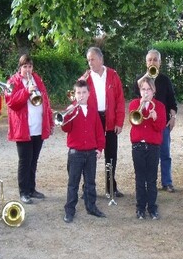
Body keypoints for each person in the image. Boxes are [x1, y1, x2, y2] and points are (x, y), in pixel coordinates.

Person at [6, 54, 53, 205]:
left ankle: (32, 189)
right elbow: (11, 102)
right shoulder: (12, 81)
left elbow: (45, 100)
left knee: (34, 161)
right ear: (20, 68)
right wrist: (26, 91)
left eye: (30, 66)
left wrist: (49, 122)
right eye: (25, 67)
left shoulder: (37, 79)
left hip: (38, 127)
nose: (28, 69)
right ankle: (23, 192)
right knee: (24, 161)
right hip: (23, 128)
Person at [132, 49, 178, 192]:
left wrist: (173, 117)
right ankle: (147, 183)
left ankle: (167, 182)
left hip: (161, 123)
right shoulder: (141, 79)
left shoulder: (165, 80)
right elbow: (134, 90)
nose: (152, 62)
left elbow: (172, 101)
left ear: (160, 62)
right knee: (147, 156)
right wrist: (147, 77)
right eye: (149, 60)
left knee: (165, 153)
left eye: (155, 60)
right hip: (145, 124)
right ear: (146, 62)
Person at [62, 80, 106, 223]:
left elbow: (99, 132)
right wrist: (68, 113)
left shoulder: (93, 111)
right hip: (76, 153)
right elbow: (65, 128)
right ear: (74, 95)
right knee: (73, 183)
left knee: (90, 182)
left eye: (84, 92)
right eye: (78, 93)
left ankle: (91, 207)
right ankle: (69, 211)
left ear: (89, 94)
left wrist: (99, 148)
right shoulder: (72, 110)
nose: (81, 95)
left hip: (91, 153)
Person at [84, 47, 125, 197]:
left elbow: (120, 100)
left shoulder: (113, 75)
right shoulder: (86, 77)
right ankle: (88, 188)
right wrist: (80, 82)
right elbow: (77, 96)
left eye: (92, 59)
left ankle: (110, 187)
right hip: (93, 121)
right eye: (88, 60)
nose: (90, 63)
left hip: (110, 120)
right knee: (90, 155)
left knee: (111, 155)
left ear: (101, 59)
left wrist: (119, 121)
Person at [129, 76, 166, 219]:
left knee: (151, 178)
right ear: (140, 90)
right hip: (138, 145)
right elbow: (134, 123)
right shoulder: (134, 105)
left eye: (149, 89)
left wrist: (155, 117)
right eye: (143, 89)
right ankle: (140, 208)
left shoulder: (160, 106)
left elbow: (160, 128)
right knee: (139, 178)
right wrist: (141, 106)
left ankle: (152, 207)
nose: (146, 93)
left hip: (153, 146)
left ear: (154, 91)